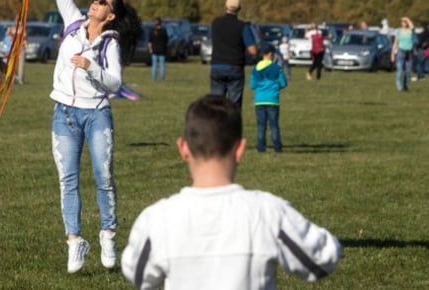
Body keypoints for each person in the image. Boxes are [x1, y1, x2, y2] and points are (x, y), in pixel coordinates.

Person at [121, 95, 341, 288]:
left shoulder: (158, 219)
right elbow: (322, 259)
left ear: (183, 148)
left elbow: (139, 276)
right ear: (240, 149)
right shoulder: (268, 213)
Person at [49, 0, 142, 274]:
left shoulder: (110, 44)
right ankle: (74, 241)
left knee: (103, 177)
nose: (95, 3)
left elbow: (115, 82)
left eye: (103, 2)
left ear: (111, 15)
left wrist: (90, 67)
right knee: (67, 180)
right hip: (64, 114)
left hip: (97, 115)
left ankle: (108, 233)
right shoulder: (72, 24)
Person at [209, 0, 257, 108]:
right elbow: (253, 50)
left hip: (217, 66)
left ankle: (216, 125)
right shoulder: (242, 26)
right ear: (239, 9)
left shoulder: (215, 23)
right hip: (235, 67)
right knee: (234, 105)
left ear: (225, 6)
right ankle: (232, 125)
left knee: (216, 104)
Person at [250, 42, 287, 153]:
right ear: (271, 54)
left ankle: (261, 148)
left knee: (261, 126)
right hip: (273, 101)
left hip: (259, 101)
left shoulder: (255, 69)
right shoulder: (276, 68)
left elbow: (252, 85)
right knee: (274, 125)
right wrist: (276, 86)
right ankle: (277, 148)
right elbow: (284, 83)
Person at [391, 17, 415, 92]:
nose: (404, 23)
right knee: (400, 70)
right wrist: (392, 54)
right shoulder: (398, 31)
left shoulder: (410, 31)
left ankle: (406, 86)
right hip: (401, 52)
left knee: (408, 71)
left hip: (409, 52)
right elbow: (395, 43)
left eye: (405, 22)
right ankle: (399, 87)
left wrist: (407, 19)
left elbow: (413, 27)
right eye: (403, 22)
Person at [148, 18, 168, 82]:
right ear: (161, 23)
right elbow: (166, 40)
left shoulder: (152, 31)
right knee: (162, 66)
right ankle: (162, 79)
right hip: (162, 50)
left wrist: (150, 49)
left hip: (154, 50)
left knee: (154, 65)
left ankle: (154, 79)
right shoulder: (164, 31)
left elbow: (150, 42)